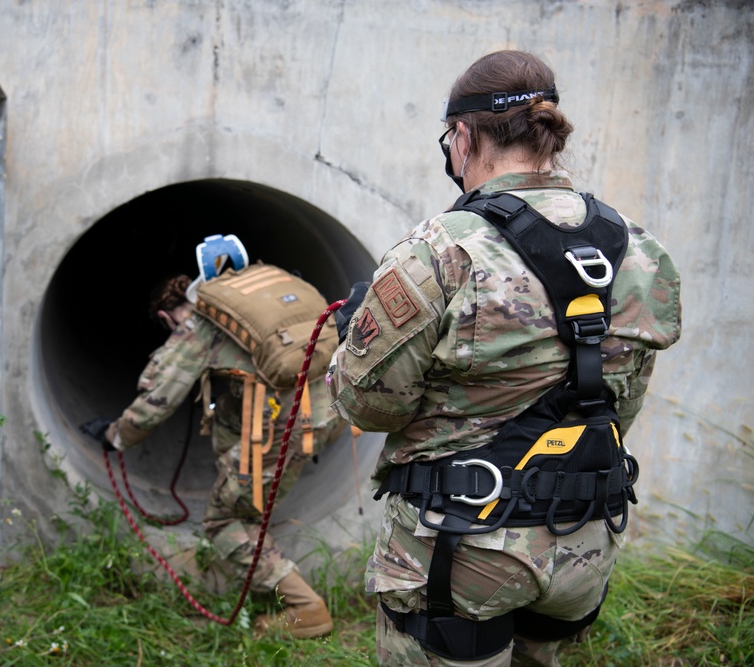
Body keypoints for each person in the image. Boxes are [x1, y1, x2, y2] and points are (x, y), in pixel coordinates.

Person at [326, 50, 682, 666]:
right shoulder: (639, 248)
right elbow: (619, 403)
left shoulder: (440, 251)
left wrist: (353, 335)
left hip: (461, 553)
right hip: (581, 547)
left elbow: (368, 406)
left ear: (462, 136)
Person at [90, 252, 346, 640]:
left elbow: (157, 399)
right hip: (333, 405)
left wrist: (114, 436)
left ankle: (305, 609)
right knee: (228, 409)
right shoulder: (254, 294)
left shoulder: (199, 322)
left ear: (165, 317)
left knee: (223, 522)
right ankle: (247, 501)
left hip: (285, 425)